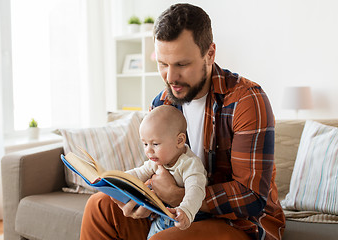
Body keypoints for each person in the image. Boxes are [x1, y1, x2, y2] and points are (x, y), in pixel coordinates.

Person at [80, 3, 285, 240]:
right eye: (163, 64)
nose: (170, 77)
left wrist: (178, 196)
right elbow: (159, 169)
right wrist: (146, 197)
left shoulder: (247, 100)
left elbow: (251, 198)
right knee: (99, 207)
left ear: (210, 53)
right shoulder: (162, 103)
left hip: (239, 225)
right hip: (175, 215)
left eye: (181, 64)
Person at [125, 105, 207, 239]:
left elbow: (196, 190)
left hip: (190, 220)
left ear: (179, 141)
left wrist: (186, 211)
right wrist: (117, 178)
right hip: (162, 219)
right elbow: (139, 173)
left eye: (155, 144)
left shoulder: (189, 164)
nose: (148, 151)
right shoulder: (157, 161)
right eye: (145, 144)